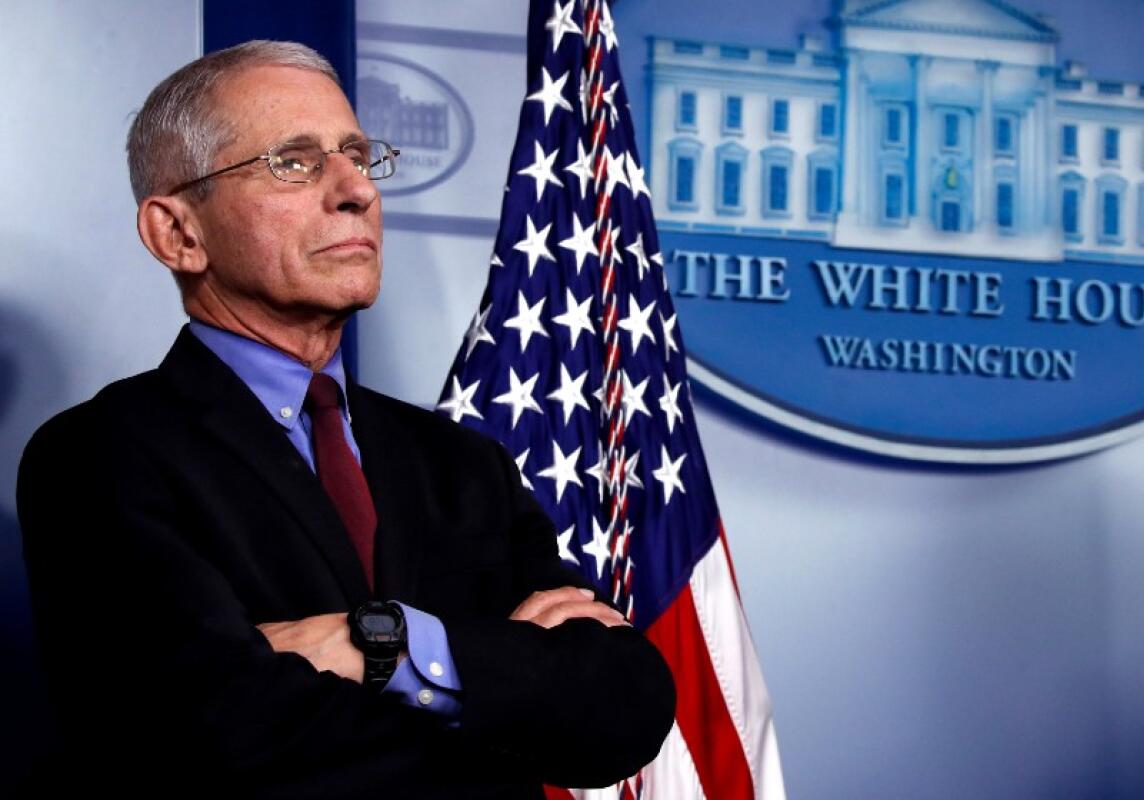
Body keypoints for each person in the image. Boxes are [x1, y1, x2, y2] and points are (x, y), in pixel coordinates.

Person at [15, 40, 674, 798]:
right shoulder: (102, 454)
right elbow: (215, 737)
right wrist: (502, 688)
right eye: (293, 162)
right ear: (178, 233)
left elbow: (626, 706)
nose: (355, 189)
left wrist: (381, 643)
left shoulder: (464, 464)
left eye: (359, 156)